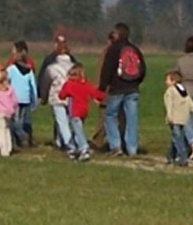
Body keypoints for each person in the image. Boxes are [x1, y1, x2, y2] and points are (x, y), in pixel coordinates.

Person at [98, 23, 147, 156]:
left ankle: (116, 146)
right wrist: (136, 82)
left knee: (110, 115)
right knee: (132, 119)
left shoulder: (113, 49)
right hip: (133, 89)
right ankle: (132, 149)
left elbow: (107, 69)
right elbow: (143, 69)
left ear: (117, 34)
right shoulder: (134, 49)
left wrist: (102, 88)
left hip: (117, 88)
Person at [56, 63, 106, 161]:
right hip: (84, 111)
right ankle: (72, 147)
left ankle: (84, 148)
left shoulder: (69, 84)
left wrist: (64, 93)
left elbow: (61, 95)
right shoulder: (86, 84)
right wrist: (103, 96)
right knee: (76, 130)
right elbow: (95, 93)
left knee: (78, 130)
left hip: (74, 112)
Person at [42, 37, 78, 151]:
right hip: (72, 96)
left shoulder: (51, 68)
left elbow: (45, 84)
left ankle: (69, 144)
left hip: (57, 97)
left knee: (61, 121)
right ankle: (60, 141)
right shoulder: (74, 66)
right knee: (67, 120)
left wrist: (43, 97)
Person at [161, 70, 193, 166]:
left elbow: (169, 104)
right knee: (176, 137)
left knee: (177, 138)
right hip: (183, 117)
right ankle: (170, 155)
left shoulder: (170, 91)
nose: (165, 82)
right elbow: (189, 101)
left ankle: (182, 157)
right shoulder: (182, 90)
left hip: (175, 118)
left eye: (167, 80)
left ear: (173, 81)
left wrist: (169, 115)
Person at [6, 41, 38, 148]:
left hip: (15, 98)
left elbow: (6, 81)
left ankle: (22, 136)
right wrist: (34, 100)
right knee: (23, 120)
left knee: (15, 122)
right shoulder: (29, 71)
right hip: (26, 98)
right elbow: (33, 85)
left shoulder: (11, 69)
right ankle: (23, 139)